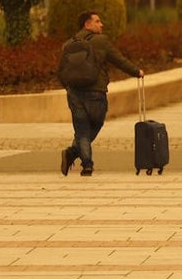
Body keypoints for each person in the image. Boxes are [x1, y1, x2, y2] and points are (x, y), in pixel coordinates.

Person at [59, 11, 144, 177]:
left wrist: (68, 88)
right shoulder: (102, 41)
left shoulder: (68, 44)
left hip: (74, 93)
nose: (101, 24)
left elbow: (60, 70)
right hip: (95, 92)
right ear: (87, 24)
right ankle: (78, 157)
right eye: (97, 21)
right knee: (96, 124)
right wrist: (137, 72)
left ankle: (85, 164)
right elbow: (119, 60)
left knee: (82, 130)